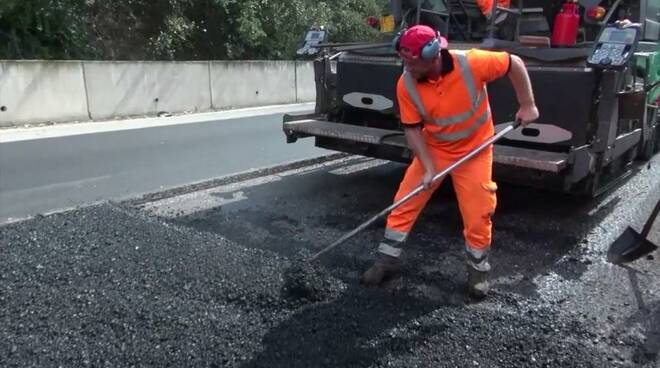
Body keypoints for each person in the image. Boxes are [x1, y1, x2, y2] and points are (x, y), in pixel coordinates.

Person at [361, 24, 539, 298]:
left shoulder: (472, 63)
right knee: (404, 201)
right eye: (403, 60)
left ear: (433, 55)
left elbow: (513, 63)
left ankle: (478, 273)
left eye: (412, 61)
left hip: (475, 150)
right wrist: (428, 167)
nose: (406, 67)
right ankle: (387, 260)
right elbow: (412, 129)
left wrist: (527, 104)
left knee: (478, 213)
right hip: (434, 150)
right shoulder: (406, 83)